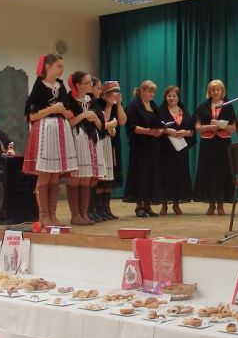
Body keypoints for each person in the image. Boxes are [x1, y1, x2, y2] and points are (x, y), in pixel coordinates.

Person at [23, 53, 78, 227]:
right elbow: (32, 115)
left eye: (62, 67)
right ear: (48, 66)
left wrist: (62, 111)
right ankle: (44, 215)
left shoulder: (60, 87)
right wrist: (52, 109)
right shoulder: (39, 87)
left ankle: (53, 215)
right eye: (59, 66)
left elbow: (69, 113)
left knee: (55, 176)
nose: (62, 70)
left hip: (60, 130)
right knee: (45, 175)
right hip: (45, 131)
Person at [66, 71, 105, 226]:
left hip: (91, 140)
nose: (91, 85)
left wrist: (95, 119)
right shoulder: (69, 100)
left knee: (87, 178)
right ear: (78, 85)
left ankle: (84, 213)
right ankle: (75, 215)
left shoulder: (92, 100)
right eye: (88, 82)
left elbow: (101, 127)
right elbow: (68, 123)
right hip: (76, 140)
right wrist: (83, 116)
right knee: (75, 178)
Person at [193, 79, 237, 214]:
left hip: (223, 144)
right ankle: (211, 203)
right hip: (208, 143)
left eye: (218, 90)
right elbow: (197, 127)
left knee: (223, 172)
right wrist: (210, 127)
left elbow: (233, 128)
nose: (215, 92)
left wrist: (221, 125)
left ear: (222, 91)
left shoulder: (228, 106)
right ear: (209, 92)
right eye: (213, 90)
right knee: (209, 172)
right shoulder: (202, 107)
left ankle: (220, 204)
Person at [124, 80, 165, 217]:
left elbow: (160, 122)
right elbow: (131, 126)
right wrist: (148, 131)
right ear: (142, 91)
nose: (152, 95)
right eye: (149, 92)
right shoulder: (134, 105)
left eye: (153, 92)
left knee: (151, 175)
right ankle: (139, 206)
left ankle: (147, 205)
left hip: (153, 146)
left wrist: (160, 130)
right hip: (140, 146)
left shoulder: (153, 105)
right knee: (140, 175)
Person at [158, 85, 195, 214]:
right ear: (165, 97)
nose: (172, 98)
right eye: (169, 96)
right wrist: (167, 130)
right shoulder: (160, 111)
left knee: (180, 176)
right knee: (165, 176)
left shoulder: (184, 111)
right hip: (166, 150)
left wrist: (186, 132)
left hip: (181, 150)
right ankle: (164, 204)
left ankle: (176, 204)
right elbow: (156, 127)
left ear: (178, 97)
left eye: (174, 95)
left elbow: (192, 130)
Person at [94, 81, 126, 220]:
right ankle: (98, 208)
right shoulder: (100, 103)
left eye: (118, 92)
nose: (116, 94)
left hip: (113, 142)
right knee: (101, 178)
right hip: (101, 141)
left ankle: (106, 208)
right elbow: (103, 121)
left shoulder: (116, 104)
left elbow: (123, 121)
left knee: (109, 178)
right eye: (114, 92)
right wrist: (109, 104)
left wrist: (118, 105)